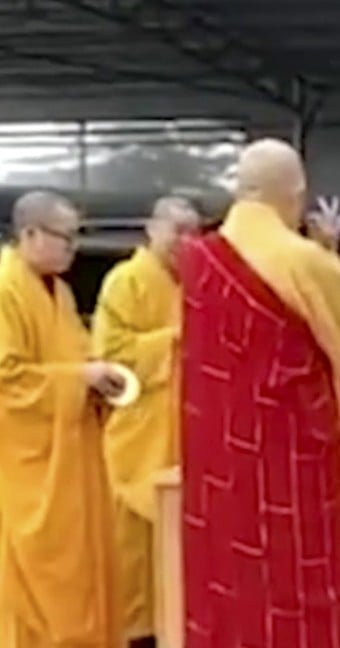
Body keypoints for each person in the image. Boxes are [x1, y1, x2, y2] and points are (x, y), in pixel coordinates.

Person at [179, 138, 340, 648]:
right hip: (287, 454)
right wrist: (326, 255)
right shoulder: (296, 257)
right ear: (292, 196)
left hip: (218, 456)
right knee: (294, 581)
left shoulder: (198, 259)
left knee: (224, 575)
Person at [0, 190, 123, 647]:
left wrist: (99, 380)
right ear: (29, 234)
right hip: (28, 470)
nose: (72, 249)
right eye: (64, 238)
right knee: (39, 591)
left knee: (82, 574)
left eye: (75, 238)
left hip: (72, 459)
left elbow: (76, 354)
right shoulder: (5, 288)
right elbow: (7, 381)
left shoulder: (62, 293)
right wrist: (78, 379)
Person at [91, 196, 201, 647]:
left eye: (193, 233)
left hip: (186, 433)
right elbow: (111, 356)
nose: (184, 242)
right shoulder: (126, 281)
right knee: (134, 551)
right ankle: (137, 636)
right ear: (151, 228)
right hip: (139, 434)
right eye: (177, 230)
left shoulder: (195, 284)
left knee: (179, 553)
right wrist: (175, 341)